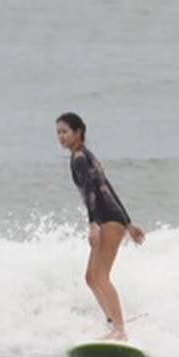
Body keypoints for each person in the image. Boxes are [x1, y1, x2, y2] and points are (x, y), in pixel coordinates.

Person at [56, 112, 145, 341]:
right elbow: (107, 188)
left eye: (65, 132)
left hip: (107, 220)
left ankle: (120, 330)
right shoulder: (85, 156)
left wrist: (93, 223)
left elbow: (92, 192)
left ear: (78, 132)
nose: (61, 137)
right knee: (91, 277)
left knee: (101, 276)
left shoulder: (79, 159)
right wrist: (128, 222)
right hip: (112, 219)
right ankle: (112, 322)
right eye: (58, 133)